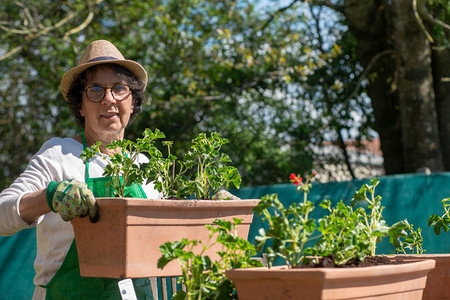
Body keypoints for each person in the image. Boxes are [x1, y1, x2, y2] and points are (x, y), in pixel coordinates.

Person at [0, 40, 161, 299]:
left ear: (132, 102)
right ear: (80, 106)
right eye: (95, 90)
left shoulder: (146, 166)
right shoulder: (59, 155)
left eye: (119, 88)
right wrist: (49, 197)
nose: (109, 99)